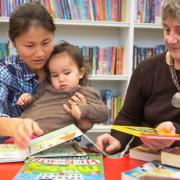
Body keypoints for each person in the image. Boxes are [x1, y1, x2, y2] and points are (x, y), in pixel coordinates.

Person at [96, 0, 180, 154]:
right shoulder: (147, 68)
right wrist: (117, 139)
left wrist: (174, 130)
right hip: (142, 156)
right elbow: (128, 116)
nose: (170, 39)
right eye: (167, 30)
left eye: (179, 31)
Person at [0, 2, 88, 148]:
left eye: (46, 42)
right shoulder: (6, 70)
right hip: (15, 155)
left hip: (59, 153)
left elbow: (76, 132)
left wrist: (82, 116)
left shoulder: (65, 67)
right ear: (13, 41)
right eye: (29, 46)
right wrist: (19, 126)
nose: (40, 53)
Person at [17, 42, 108, 133]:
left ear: (81, 73)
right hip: (21, 131)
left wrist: (83, 109)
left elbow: (104, 112)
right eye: (55, 75)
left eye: (67, 73)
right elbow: (34, 101)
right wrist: (27, 100)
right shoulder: (46, 87)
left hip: (48, 139)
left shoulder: (84, 92)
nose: (61, 79)